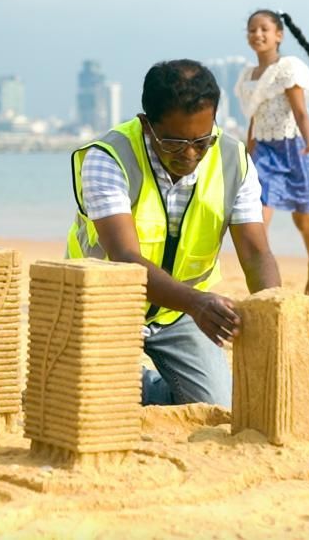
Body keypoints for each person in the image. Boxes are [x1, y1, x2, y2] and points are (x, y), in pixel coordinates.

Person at [67, 59, 281, 408]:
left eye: (201, 140)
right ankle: (120, 384)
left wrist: (274, 312)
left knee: (217, 407)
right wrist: (197, 303)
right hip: (104, 306)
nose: (191, 154)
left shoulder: (234, 160)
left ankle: (141, 389)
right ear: (147, 126)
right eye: (175, 142)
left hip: (177, 314)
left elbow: (257, 253)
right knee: (98, 402)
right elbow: (125, 260)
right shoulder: (108, 158)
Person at [234, 10, 309, 297]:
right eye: (252, 30)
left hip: (293, 148)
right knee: (257, 216)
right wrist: (248, 155)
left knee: (303, 219)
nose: (257, 34)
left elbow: (301, 111)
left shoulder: (288, 68)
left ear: (279, 35)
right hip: (264, 152)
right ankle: (265, 284)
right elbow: (253, 118)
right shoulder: (246, 76)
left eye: (264, 29)